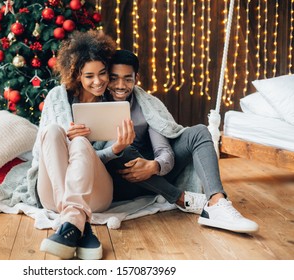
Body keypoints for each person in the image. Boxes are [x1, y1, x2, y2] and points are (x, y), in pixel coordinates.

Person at [104, 49, 259, 234]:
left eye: (127, 79)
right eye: (114, 78)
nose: (120, 85)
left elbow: (164, 151)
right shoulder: (94, 104)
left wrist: (154, 166)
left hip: (154, 175)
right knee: (123, 150)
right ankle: (181, 198)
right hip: (120, 183)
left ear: (136, 78)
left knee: (199, 131)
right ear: (106, 78)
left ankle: (216, 202)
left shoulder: (148, 106)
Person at [33, 31, 134, 260]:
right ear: (77, 75)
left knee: (80, 143)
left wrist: (116, 148)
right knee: (52, 131)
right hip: (53, 191)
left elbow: (105, 157)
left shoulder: (113, 101)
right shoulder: (56, 96)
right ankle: (78, 221)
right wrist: (66, 139)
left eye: (102, 74)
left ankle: (70, 222)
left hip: (96, 193)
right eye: (89, 76)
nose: (98, 81)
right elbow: (39, 153)